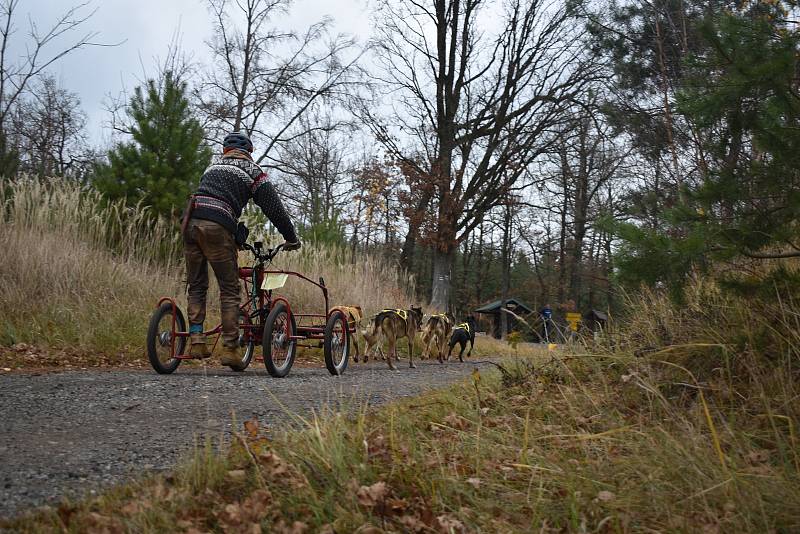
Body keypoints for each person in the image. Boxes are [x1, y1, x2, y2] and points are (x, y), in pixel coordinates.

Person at [182, 131, 300, 366]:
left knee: (196, 285)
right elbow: (274, 208)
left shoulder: (212, 167)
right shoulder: (253, 171)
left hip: (190, 222)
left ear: (225, 150)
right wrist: (291, 238)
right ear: (250, 152)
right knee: (229, 288)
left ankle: (196, 340)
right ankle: (230, 349)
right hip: (217, 225)